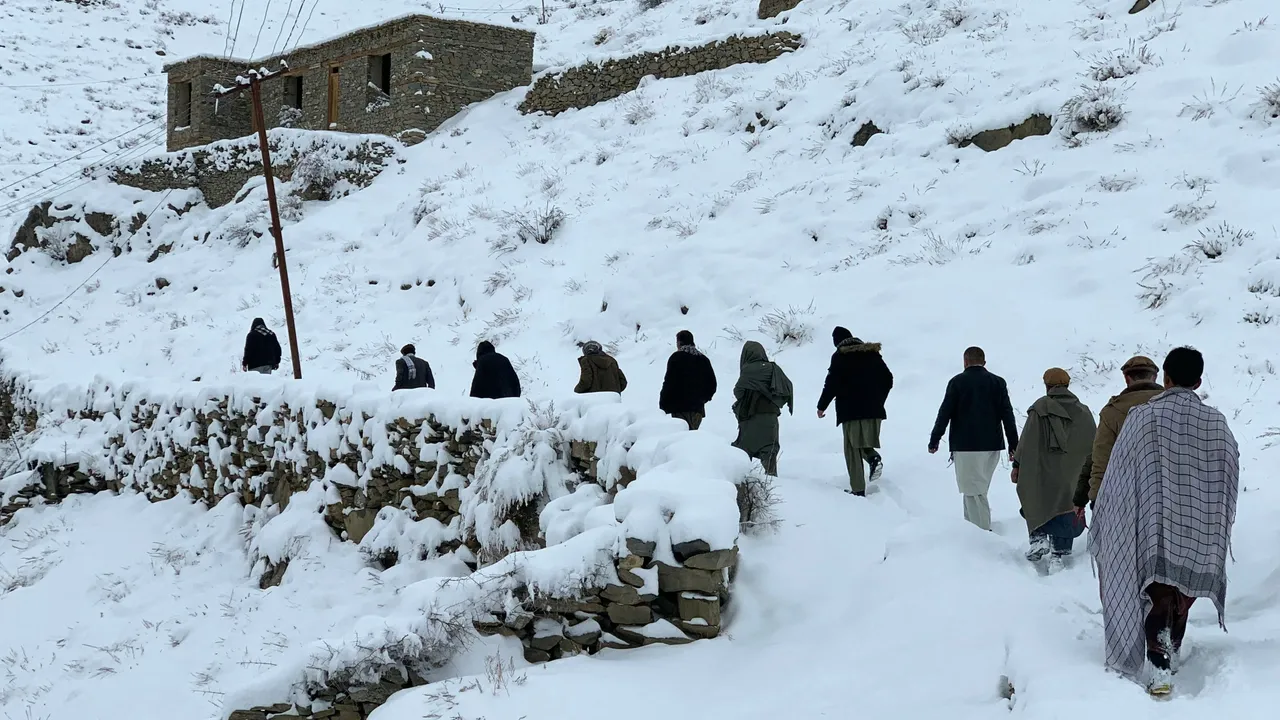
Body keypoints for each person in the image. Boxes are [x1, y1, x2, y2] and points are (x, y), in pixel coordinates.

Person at [1089, 347, 1239, 695]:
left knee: (1159, 591)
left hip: (1155, 521)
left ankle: (1160, 666)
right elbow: (1229, 470)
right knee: (1180, 593)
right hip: (1198, 521)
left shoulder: (1143, 417)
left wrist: (1112, 514)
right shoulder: (1216, 422)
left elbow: (1119, 473)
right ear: (1199, 381)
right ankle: (1167, 652)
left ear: (1166, 379)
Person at [928, 346, 1018, 531]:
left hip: (966, 446)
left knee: (973, 492)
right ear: (984, 362)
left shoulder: (957, 382)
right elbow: (1007, 415)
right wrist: (1013, 446)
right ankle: (971, 531)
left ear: (965, 361)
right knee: (976, 490)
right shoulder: (998, 382)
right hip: (992, 445)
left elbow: (944, 413)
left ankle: (982, 535)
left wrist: (935, 438)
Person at [1012, 368, 1095, 564]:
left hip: (1043, 472)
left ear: (1047, 386)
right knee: (1067, 505)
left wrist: (1018, 464)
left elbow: (1027, 441)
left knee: (1035, 496)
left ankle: (1039, 538)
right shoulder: (1083, 411)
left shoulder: (1040, 408)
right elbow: (1093, 443)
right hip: (1073, 475)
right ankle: (1060, 553)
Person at [1073, 355, 1163, 512]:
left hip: (1126, 500)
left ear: (1127, 378)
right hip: (1170, 496)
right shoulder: (1176, 406)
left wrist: (1095, 498)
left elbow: (1101, 459)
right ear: (1154, 377)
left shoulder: (1112, 412)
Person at [816, 327, 893, 496]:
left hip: (851, 411)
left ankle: (858, 490)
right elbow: (888, 379)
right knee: (862, 441)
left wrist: (822, 406)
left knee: (851, 448)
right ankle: (872, 458)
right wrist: (878, 400)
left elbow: (832, 384)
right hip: (874, 411)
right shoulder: (872, 354)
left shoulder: (840, 357)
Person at [731, 341, 794, 476]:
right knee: (769, 449)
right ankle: (771, 477)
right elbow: (787, 387)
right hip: (770, 416)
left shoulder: (748, 370)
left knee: (744, 448)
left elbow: (738, 391)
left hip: (751, 416)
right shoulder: (773, 369)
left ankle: (744, 480)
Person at [658, 330, 717, 430]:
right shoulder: (703, 360)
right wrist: (703, 399)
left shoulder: (676, 357)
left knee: (680, 438)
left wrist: (663, 404)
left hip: (679, 408)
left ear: (679, 343)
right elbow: (712, 385)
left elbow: (669, 383)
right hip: (697, 409)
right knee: (690, 438)